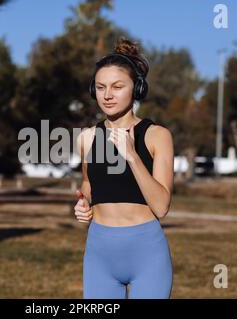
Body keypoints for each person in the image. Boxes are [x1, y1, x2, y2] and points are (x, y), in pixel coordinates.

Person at [75, 37, 174, 299]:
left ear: (136, 88)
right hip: (99, 253)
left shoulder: (157, 136)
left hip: (147, 253)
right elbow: (88, 185)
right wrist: (84, 204)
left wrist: (131, 155)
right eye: (100, 87)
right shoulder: (87, 138)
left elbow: (162, 206)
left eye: (117, 87)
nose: (107, 95)